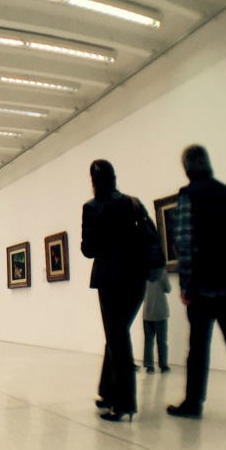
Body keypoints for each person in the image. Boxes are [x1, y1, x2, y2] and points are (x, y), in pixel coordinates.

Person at [166, 145, 226, 425]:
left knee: (198, 345)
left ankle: (193, 402)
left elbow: (184, 242)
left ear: (186, 167)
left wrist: (185, 285)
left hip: (203, 285)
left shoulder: (189, 195)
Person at [80, 159, 148, 422]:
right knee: (117, 335)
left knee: (117, 338)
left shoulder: (92, 207)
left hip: (110, 280)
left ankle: (124, 403)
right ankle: (108, 392)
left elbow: (88, 250)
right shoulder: (132, 202)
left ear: (93, 181)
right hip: (136, 280)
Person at [142, 267, 171, 374]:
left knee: (148, 341)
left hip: (147, 311)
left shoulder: (144, 272)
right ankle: (163, 365)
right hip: (160, 311)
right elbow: (168, 289)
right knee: (162, 341)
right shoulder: (162, 272)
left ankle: (149, 366)